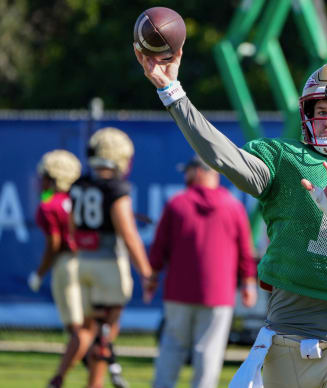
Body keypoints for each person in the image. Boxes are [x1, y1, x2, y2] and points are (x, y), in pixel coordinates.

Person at [135, 47, 327, 387]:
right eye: (322, 109)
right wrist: (173, 93)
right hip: (286, 336)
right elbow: (223, 157)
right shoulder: (285, 159)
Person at [146, 155, 258, 388]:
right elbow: (245, 251)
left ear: (199, 172)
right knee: (209, 352)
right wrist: (247, 283)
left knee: (172, 348)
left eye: (188, 171)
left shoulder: (177, 204)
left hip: (178, 292)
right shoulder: (233, 206)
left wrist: (152, 277)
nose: (185, 176)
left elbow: (159, 248)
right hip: (218, 295)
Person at [69, 127, 153, 388]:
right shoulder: (115, 188)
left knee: (89, 331)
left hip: (81, 263)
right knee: (104, 334)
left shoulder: (79, 184)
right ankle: (95, 380)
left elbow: (72, 228)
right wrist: (146, 272)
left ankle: (85, 376)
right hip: (108, 267)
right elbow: (129, 235)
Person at [28, 150, 89, 388]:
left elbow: (54, 243)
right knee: (85, 325)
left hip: (67, 263)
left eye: (44, 176)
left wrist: (40, 273)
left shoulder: (48, 205)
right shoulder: (81, 199)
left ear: (54, 177)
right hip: (87, 260)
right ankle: (101, 368)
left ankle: (59, 378)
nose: (40, 180)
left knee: (77, 329)